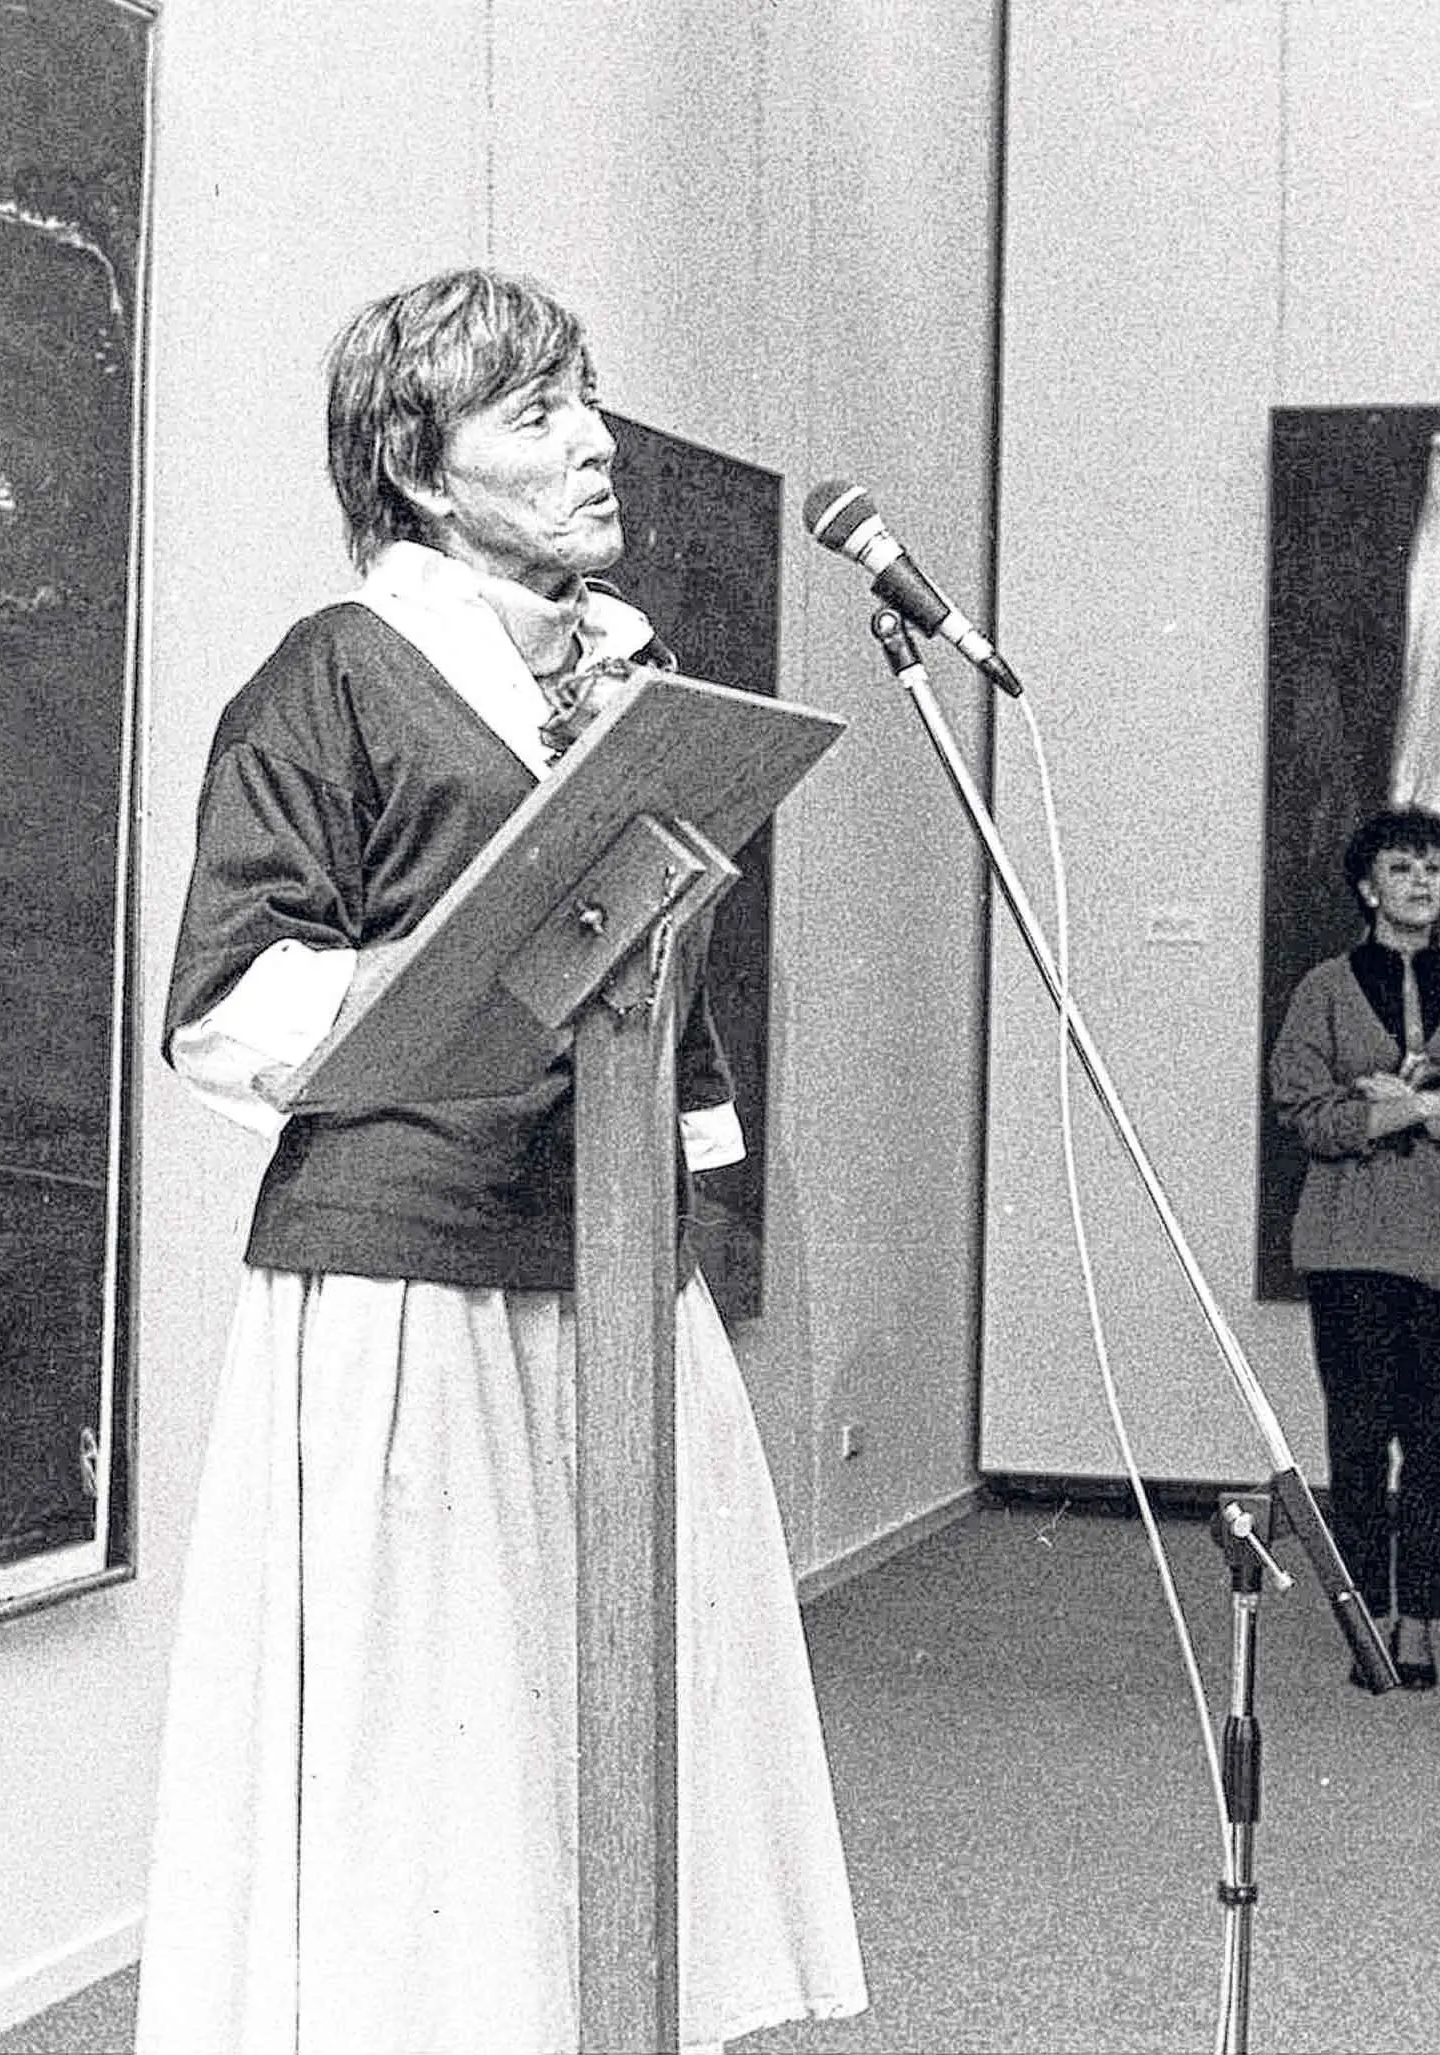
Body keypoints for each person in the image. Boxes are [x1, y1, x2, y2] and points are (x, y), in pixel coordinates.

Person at [138, 270, 864, 2046]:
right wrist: (459, 968)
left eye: (586, 398)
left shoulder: (629, 684)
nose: (592, 441)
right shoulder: (336, 678)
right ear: (417, 467)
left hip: (612, 1264)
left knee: (616, 1706)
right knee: (434, 1729)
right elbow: (228, 998)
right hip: (412, 1285)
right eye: (533, 414)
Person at [1268, 806, 1440, 1691]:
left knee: (1438, 1442)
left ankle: (1418, 1618)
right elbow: (1302, 1105)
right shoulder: (1325, 988)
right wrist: (1392, 1109)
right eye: (1403, 869)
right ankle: (1365, 1616)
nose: (1421, 884)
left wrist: (1430, 1108)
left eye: (1433, 871)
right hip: (1352, 1249)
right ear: (1369, 886)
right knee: (1359, 1438)